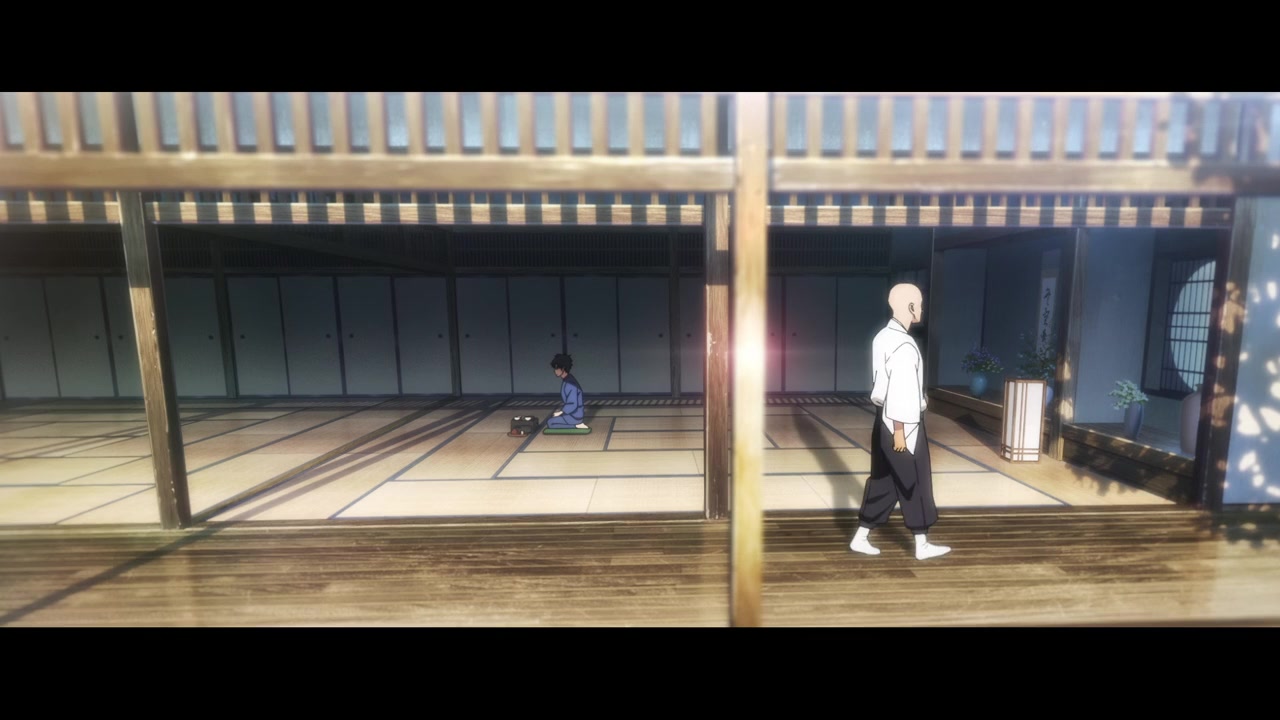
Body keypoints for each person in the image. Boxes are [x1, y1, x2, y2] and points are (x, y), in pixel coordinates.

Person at [850, 283, 950, 561]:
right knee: (915, 480)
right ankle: (922, 545)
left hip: (883, 420)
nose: (922, 309)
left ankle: (861, 536)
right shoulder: (905, 345)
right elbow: (899, 392)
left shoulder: (882, 336)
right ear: (910, 307)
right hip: (902, 426)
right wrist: (899, 433)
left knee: (885, 481)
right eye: (920, 304)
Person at [547, 353, 589, 430]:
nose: (555, 371)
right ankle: (576, 424)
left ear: (563, 368)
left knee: (550, 423)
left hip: (574, 415)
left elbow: (573, 403)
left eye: (556, 368)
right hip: (573, 413)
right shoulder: (568, 379)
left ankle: (576, 425)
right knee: (552, 420)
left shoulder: (570, 384)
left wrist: (561, 412)